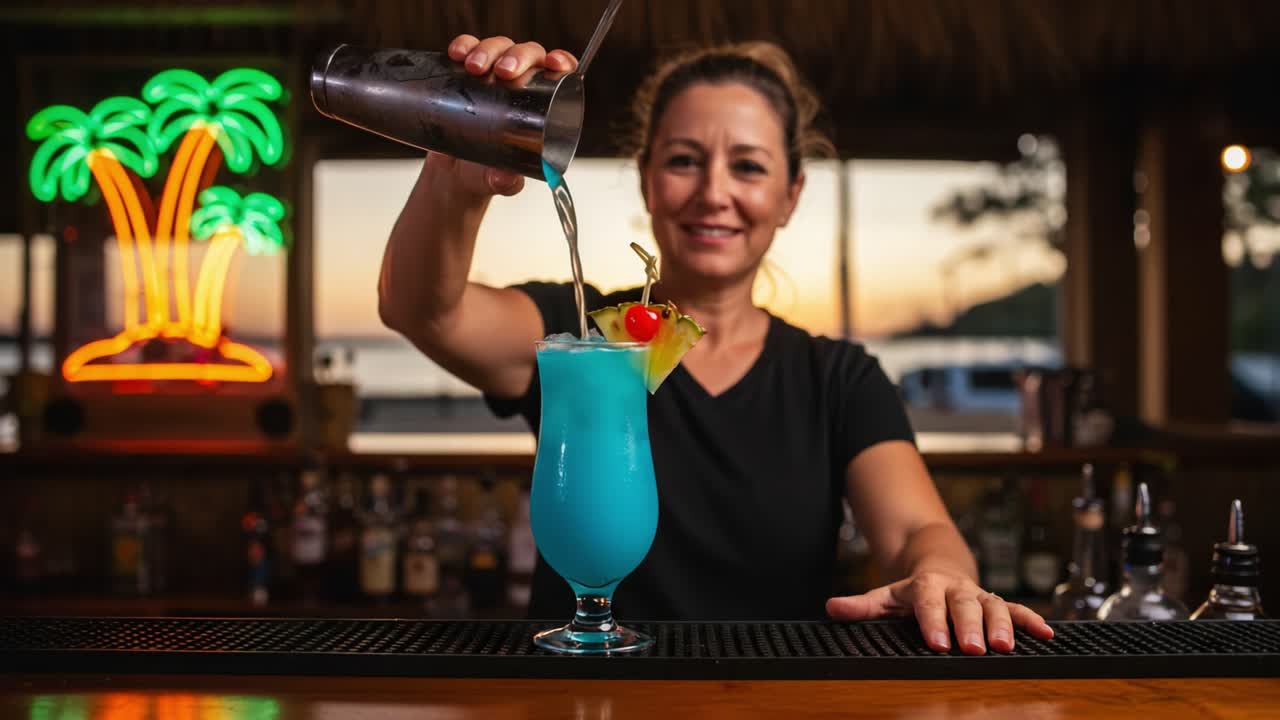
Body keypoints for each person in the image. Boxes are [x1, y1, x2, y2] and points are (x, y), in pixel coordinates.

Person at [378, 33, 1055, 655]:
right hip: (578, 693)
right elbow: (424, 310)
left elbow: (915, 532)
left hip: (770, 695)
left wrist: (940, 576)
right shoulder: (578, 331)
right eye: (683, 161)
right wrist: (455, 171)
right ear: (646, 179)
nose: (713, 193)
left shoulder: (837, 378)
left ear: (790, 196)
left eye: (749, 167)